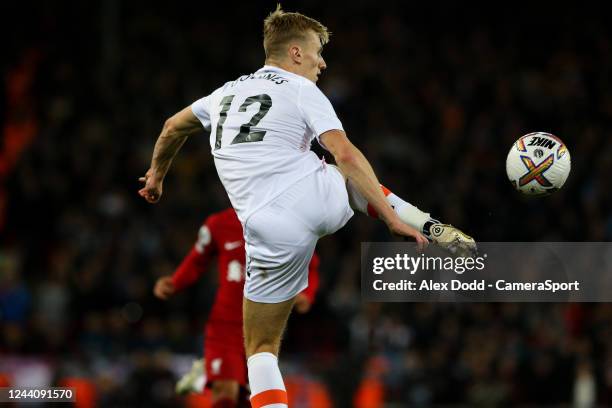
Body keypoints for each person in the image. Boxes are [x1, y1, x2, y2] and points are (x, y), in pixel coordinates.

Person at [139, 5, 475, 407]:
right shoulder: (300, 89)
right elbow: (347, 155)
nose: (322, 62)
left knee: (260, 348)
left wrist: (157, 175)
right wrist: (390, 220)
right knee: (343, 174)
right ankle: (424, 222)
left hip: (265, 229)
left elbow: (172, 127)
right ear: (296, 53)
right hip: (313, 199)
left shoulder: (221, 95)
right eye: (317, 51)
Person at [153, 207, 320, 407]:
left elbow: (309, 261)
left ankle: (220, 378)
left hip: (263, 327)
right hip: (225, 325)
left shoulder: (285, 222)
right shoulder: (219, 223)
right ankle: (218, 374)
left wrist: (307, 295)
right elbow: (198, 258)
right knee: (226, 390)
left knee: (247, 398)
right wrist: (176, 281)